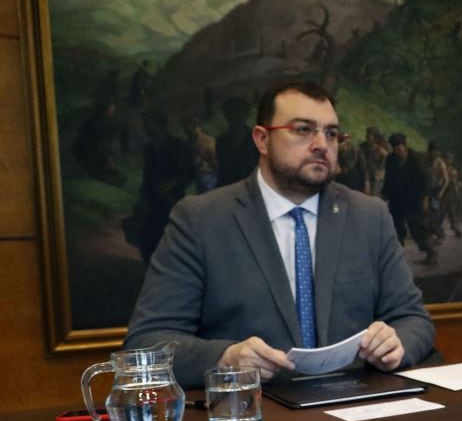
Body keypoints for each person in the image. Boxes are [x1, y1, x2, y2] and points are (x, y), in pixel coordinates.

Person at [124, 80, 435, 387]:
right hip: (254, 409)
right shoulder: (200, 220)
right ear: (262, 139)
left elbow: (413, 319)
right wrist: (225, 358)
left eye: (331, 133)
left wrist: (397, 343)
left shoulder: (369, 216)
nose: (322, 144)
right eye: (303, 130)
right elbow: (146, 343)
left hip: (356, 406)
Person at [382, 132, 437, 265]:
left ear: (405, 146)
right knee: (396, 227)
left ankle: (430, 252)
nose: (397, 151)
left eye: (399, 148)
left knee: (416, 227)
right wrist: (385, 193)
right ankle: (398, 257)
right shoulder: (391, 159)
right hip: (396, 198)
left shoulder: (416, 159)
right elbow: (388, 178)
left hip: (414, 199)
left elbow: (425, 180)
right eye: (394, 148)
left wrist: (425, 198)